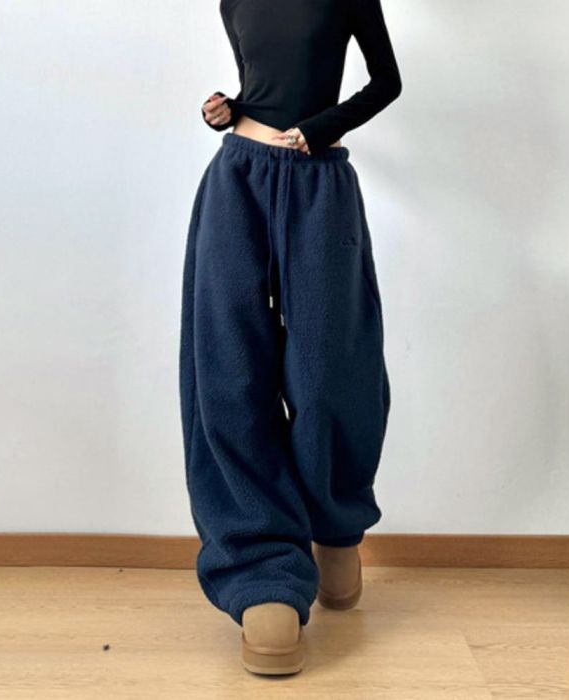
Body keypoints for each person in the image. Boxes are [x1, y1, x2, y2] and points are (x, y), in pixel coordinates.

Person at [179, 0, 402, 675]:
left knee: (333, 370)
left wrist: (318, 129)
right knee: (229, 371)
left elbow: (386, 82)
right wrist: (227, 108)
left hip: (319, 185)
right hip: (238, 178)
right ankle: (262, 569)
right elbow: (261, 86)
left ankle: (334, 523)